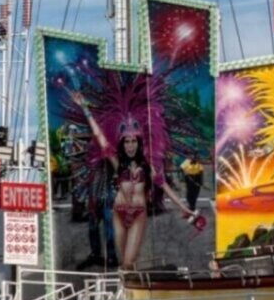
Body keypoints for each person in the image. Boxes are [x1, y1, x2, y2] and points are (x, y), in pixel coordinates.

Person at [73, 91, 196, 269]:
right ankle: (128, 286)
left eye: (133, 141)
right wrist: (85, 108)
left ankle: (131, 283)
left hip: (138, 213)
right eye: (127, 141)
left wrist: (184, 208)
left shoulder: (147, 167)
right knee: (124, 264)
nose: (130, 145)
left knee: (129, 262)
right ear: (122, 143)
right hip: (119, 213)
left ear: (139, 143)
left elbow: (165, 187)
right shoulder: (118, 163)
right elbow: (100, 137)